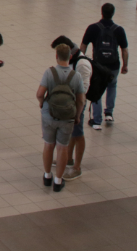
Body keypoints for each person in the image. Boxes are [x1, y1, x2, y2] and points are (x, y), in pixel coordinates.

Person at [36, 43, 86, 192]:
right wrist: (77, 115)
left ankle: (47, 176)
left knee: (48, 145)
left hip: (49, 115)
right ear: (70, 57)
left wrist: (41, 104)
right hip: (67, 117)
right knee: (62, 147)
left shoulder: (49, 72)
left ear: (56, 56)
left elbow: (39, 94)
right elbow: (81, 100)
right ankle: (58, 181)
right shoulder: (76, 76)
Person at [49, 35, 93, 181]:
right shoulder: (71, 59)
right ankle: (68, 158)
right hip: (70, 102)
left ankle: (77, 168)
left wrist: (76, 110)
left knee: (78, 134)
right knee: (72, 133)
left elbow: (83, 90)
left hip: (77, 103)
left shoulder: (82, 64)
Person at [80, 3, 129, 131]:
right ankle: (109, 113)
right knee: (112, 86)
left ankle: (96, 121)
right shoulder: (119, 30)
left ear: (101, 12)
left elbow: (83, 46)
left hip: (98, 66)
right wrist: (125, 65)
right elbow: (125, 50)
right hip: (114, 65)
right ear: (113, 13)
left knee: (97, 89)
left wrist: (81, 61)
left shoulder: (92, 28)